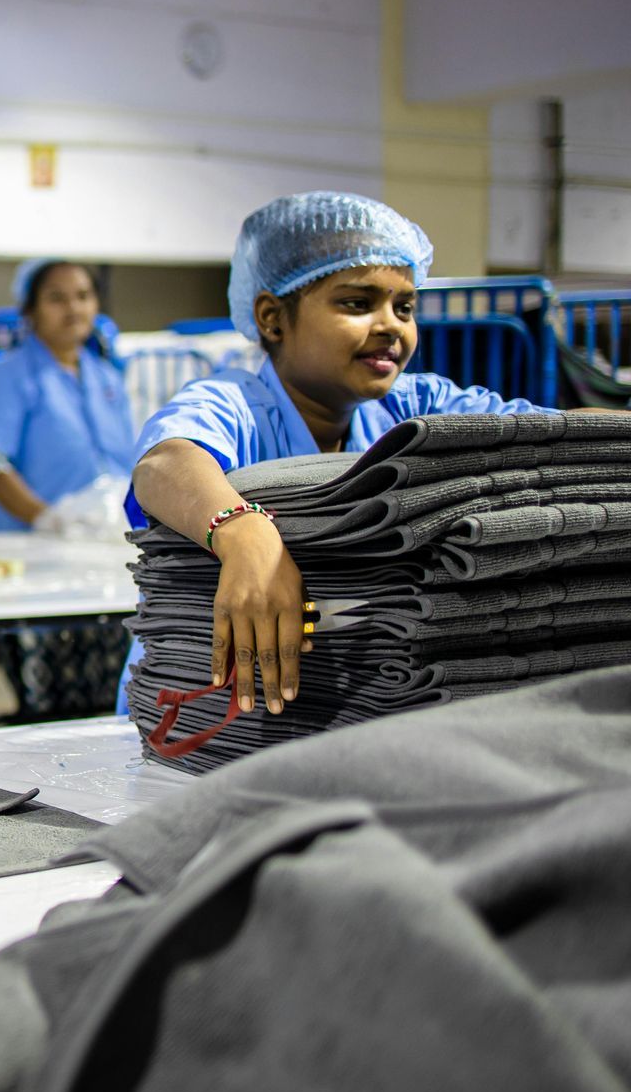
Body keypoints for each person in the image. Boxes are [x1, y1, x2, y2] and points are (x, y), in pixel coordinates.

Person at [122, 190, 554, 718]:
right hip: (206, 710)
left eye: (405, 306)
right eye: (357, 303)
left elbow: (554, 434)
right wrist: (244, 532)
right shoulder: (236, 404)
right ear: (272, 319)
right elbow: (165, 463)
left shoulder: (417, 406)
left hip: (344, 701)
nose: (391, 324)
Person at [0, 259, 135, 534]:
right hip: (36, 540)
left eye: (83, 296)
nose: (73, 309)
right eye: (56, 298)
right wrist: (48, 520)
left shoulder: (108, 378)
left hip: (112, 533)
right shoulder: (3, 378)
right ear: (29, 309)